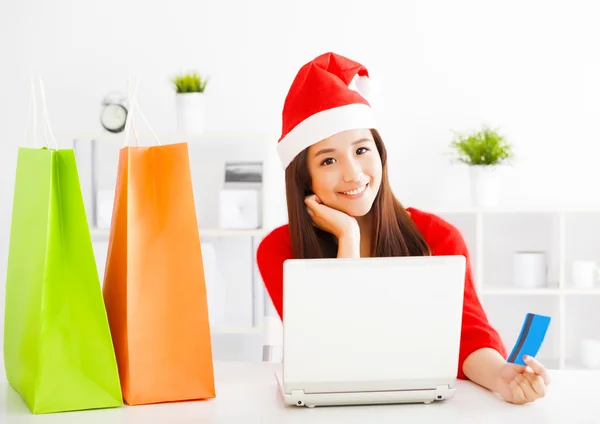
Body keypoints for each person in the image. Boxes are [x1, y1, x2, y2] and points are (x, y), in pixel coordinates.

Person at [256, 52, 550, 405]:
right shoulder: (279, 249)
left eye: (362, 150)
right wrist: (347, 238)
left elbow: (468, 336)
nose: (353, 173)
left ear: (380, 154)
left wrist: (502, 377)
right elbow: (333, 353)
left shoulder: (436, 235)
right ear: (305, 178)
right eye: (329, 160)